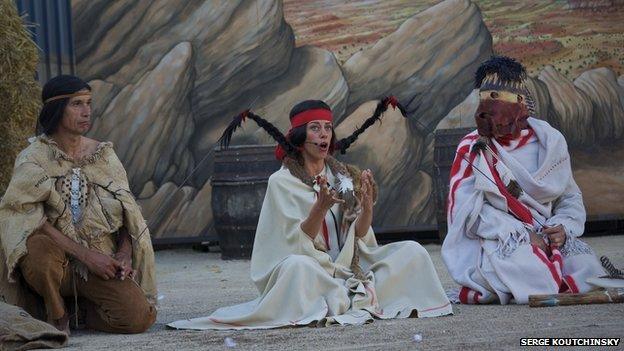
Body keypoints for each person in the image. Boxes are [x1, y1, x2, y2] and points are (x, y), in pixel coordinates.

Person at [168, 98, 452, 330]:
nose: (324, 134)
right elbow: (292, 245)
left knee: (413, 252)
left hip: (349, 268)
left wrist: (366, 206)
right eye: (315, 128)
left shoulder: (343, 176)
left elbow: (361, 238)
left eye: (328, 128)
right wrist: (320, 209)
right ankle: (336, 297)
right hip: (313, 271)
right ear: (300, 136)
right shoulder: (281, 182)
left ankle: (347, 295)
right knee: (297, 269)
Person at [0, 75, 157, 334]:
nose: (87, 112)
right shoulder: (33, 159)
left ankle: (81, 312)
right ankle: (56, 310)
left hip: (101, 262)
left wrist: (124, 253)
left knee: (138, 318)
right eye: (77, 104)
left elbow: (129, 213)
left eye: (89, 103)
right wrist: (85, 256)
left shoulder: (104, 155)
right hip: (55, 264)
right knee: (38, 249)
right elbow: (26, 220)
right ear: (56, 109)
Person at [442, 56, 605, 305]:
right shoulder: (472, 147)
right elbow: (463, 211)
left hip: (550, 234)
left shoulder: (552, 141)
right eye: (484, 98)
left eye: (496, 98)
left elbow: (570, 197)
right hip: (500, 239)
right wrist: (519, 234)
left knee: (586, 266)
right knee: (530, 269)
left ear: (520, 103)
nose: (486, 109)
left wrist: (562, 228)